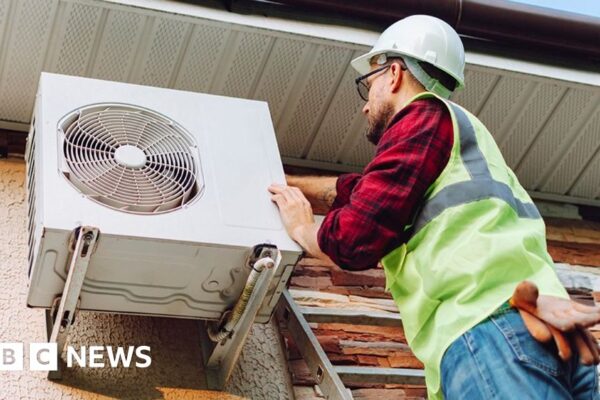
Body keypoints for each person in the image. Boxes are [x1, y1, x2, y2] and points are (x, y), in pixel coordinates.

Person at [269, 14, 600, 400]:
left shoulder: (421, 117)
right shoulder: (463, 142)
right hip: (547, 327)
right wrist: (288, 183)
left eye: (368, 85)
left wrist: (302, 229)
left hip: (485, 329)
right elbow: (362, 190)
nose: (364, 106)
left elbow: (354, 238)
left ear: (393, 74)